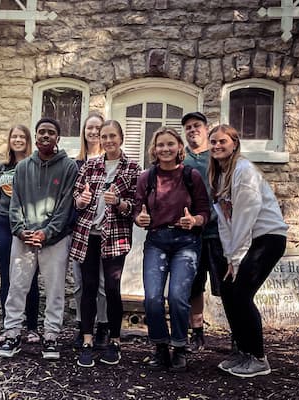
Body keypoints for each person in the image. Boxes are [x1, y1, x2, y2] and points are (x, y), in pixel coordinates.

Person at [208, 124, 287, 378]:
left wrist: (237, 257)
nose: (217, 146)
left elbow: (245, 216)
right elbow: (225, 222)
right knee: (229, 291)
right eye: (213, 142)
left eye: (222, 141)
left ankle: (258, 357)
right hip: (249, 238)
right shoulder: (219, 176)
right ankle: (242, 351)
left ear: (234, 144)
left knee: (241, 294)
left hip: (268, 238)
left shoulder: (244, 171)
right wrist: (230, 256)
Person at [0, 117, 78, 360]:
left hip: (55, 239)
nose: (45, 136)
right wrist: (21, 230)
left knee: (55, 290)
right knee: (17, 287)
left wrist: (47, 233)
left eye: (50, 132)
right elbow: (15, 203)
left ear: (57, 138)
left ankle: (51, 336)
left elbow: (65, 206)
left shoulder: (68, 167)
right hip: (24, 238)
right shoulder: (22, 167)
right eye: (41, 132)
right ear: (36, 135)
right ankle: (12, 333)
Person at [133, 126, 210, 370]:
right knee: (153, 298)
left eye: (170, 144)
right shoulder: (147, 177)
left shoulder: (191, 176)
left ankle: (180, 347)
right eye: (160, 145)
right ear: (154, 150)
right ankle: (160, 348)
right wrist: (139, 219)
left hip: (186, 242)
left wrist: (195, 221)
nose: (165, 149)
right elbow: (137, 210)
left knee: (177, 296)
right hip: (157, 241)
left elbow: (205, 212)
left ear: (179, 148)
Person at [71, 120, 141, 367]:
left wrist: (119, 203)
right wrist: (82, 200)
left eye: (113, 136)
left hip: (116, 236)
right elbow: (76, 199)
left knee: (111, 288)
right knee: (89, 286)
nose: (108, 140)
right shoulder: (90, 165)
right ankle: (88, 340)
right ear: (99, 139)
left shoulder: (133, 168)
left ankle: (114, 341)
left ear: (120, 138)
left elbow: (135, 207)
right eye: (104, 136)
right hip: (88, 234)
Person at [0, 125, 41, 344]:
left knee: (30, 277)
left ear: (28, 140)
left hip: (28, 225)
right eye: (14, 136)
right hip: (3, 225)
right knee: (8, 277)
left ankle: (32, 327)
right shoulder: (1, 168)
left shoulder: (35, 166)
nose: (17, 140)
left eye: (21, 136)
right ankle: (9, 326)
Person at [181, 112, 228, 352]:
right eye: (188, 127)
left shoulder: (217, 157)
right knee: (194, 287)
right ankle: (197, 333)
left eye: (196, 126)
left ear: (206, 129)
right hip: (192, 235)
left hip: (219, 233)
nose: (192, 130)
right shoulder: (182, 159)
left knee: (228, 286)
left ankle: (238, 336)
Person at [72, 111, 109, 349]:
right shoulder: (75, 164)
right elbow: (69, 199)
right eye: (89, 128)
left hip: (105, 233)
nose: (93, 132)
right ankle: (82, 325)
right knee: (80, 283)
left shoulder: (111, 164)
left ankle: (103, 326)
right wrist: (79, 201)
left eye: (98, 128)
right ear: (83, 133)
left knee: (104, 283)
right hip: (80, 232)